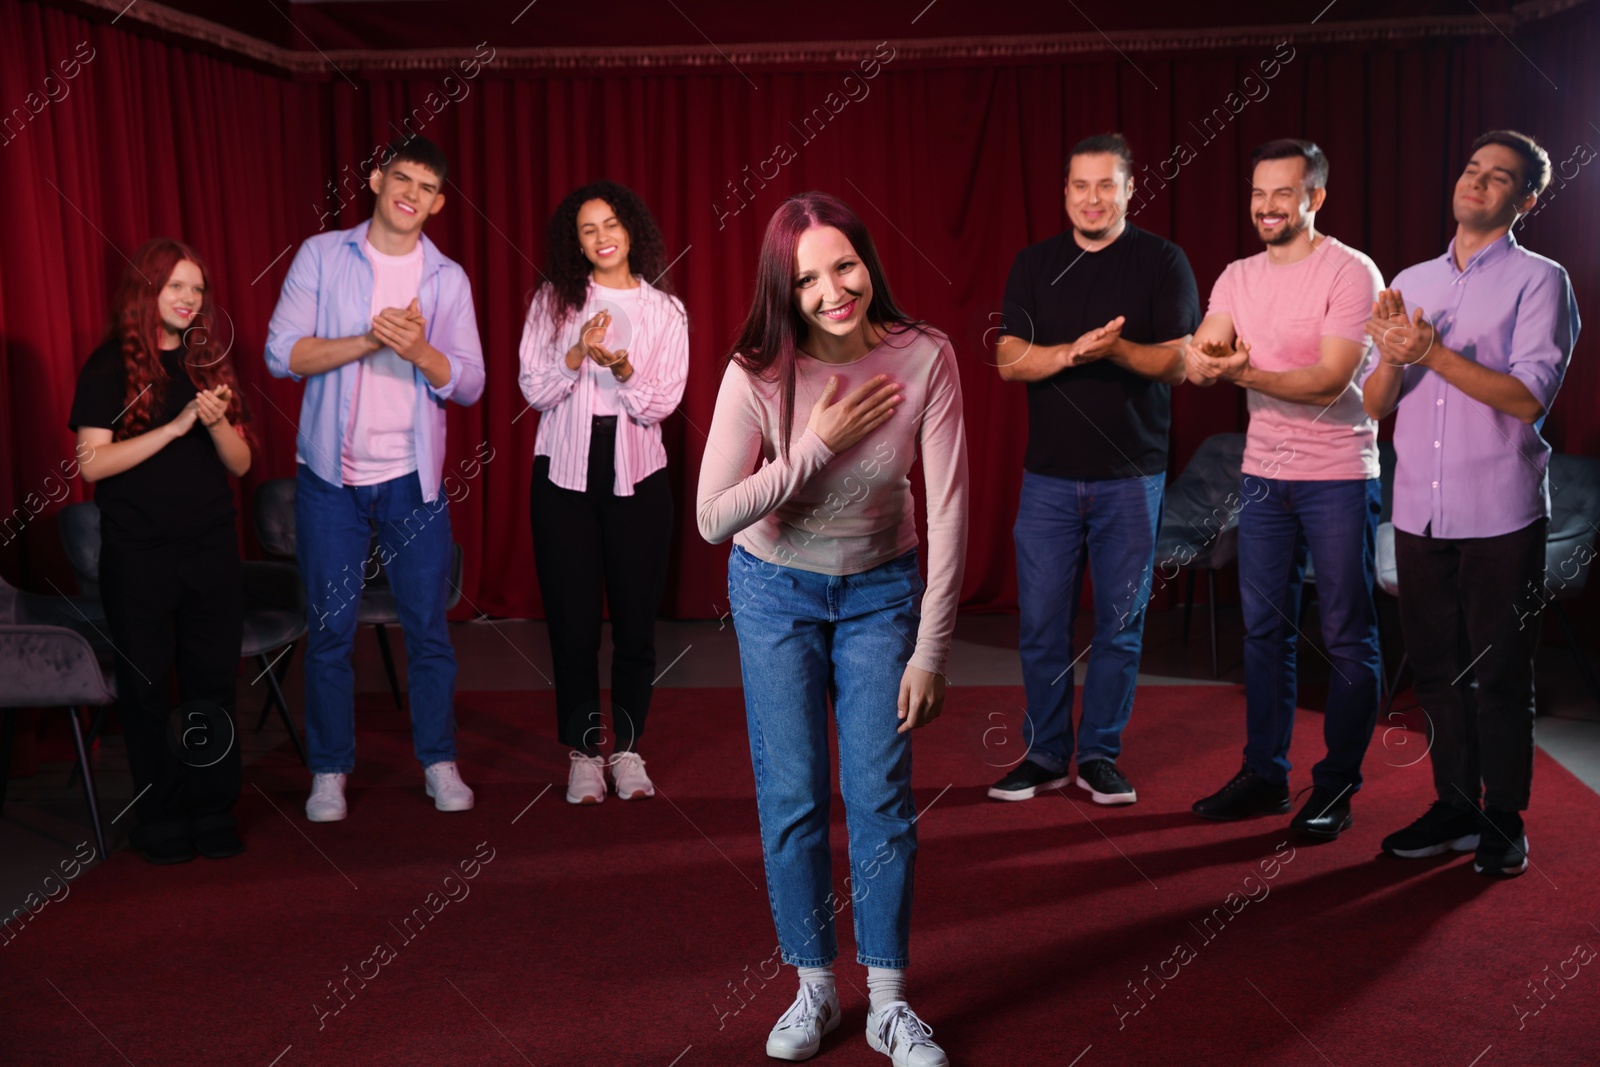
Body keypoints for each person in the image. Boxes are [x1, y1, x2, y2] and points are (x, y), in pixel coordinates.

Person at [698, 191, 968, 1067]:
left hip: (880, 592)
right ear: (786, 285)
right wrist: (809, 448)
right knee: (794, 796)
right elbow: (711, 518)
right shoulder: (758, 371)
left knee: (881, 794)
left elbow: (952, 509)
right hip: (773, 591)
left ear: (868, 261)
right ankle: (813, 986)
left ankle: (888, 1001)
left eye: (843, 265)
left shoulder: (925, 356)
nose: (831, 290)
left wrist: (930, 648)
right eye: (807, 277)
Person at [1363, 131, 1580, 877]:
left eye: (1499, 179)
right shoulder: (1410, 279)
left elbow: (1526, 398)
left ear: (1525, 199)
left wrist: (1432, 352)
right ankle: (1454, 803)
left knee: (1499, 671)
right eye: (1471, 169)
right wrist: (1394, 355)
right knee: (1436, 671)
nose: (1477, 184)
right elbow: (1374, 402)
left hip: (1502, 512)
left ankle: (1503, 816)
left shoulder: (1541, 281)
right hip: (1419, 512)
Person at [265, 135, 485, 823]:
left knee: (428, 630)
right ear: (374, 179)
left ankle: (438, 762)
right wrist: (371, 338)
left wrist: (420, 348)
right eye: (401, 177)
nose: (411, 192)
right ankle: (329, 770)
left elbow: (471, 382)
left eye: (426, 185)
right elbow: (281, 354)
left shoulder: (447, 278)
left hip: (411, 483)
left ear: (438, 202)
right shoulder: (324, 255)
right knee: (330, 631)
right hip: (329, 480)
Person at [990, 132, 1199, 806]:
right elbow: (1007, 358)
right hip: (1049, 476)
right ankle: (1048, 754)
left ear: (1131, 187)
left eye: (1106, 184)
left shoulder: (1163, 262)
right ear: (1065, 192)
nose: (1091, 198)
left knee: (1120, 623)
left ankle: (1100, 754)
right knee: (1042, 623)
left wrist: (1117, 350)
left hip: (1131, 477)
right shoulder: (1033, 263)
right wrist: (1073, 353)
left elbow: (1178, 360)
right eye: (1080, 185)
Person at [1186, 139, 1384, 841]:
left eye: (1283, 193)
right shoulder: (1237, 275)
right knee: (1265, 632)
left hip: (1337, 475)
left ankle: (1335, 787)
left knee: (1345, 633)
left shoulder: (1352, 271)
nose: (1267, 206)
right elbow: (1204, 350)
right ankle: (1266, 774)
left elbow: (1331, 380)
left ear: (1315, 198)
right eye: (1258, 192)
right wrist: (1203, 360)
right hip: (1264, 476)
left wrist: (1237, 373)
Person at [70, 238, 252, 864]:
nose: (187, 298)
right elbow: (91, 463)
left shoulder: (210, 364)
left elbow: (242, 461)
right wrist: (173, 428)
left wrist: (216, 422)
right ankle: (160, 811)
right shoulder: (108, 368)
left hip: (209, 550)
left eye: (196, 288)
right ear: (146, 291)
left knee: (210, 684)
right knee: (147, 687)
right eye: (175, 285)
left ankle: (210, 807)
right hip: (138, 554)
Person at [517, 180, 688, 805]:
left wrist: (619, 367)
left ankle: (630, 750)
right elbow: (534, 389)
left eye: (611, 223)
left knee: (637, 624)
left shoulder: (666, 312)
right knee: (573, 624)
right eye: (588, 229)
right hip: (562, 477)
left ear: (631, 228)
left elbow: (661, 402)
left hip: (638, 478)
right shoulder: (553, 301)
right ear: (577, 242)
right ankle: (585, 754)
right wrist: (574, 354)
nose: (602, 237)